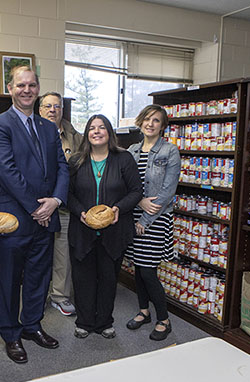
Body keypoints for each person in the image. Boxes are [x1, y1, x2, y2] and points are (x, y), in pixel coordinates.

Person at [0, 66, 69, 364]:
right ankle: (10, 333)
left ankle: (32, 325)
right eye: (21, 85)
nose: (27, 90)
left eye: (32, 85)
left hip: (46, 218)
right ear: (10, 88)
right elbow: (6, 172)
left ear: (38, 89)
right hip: (15, 219)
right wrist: (37, 208)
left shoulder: (48, 127)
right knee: (9, 279)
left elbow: (62, 166)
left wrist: (55, 200)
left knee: (39, 277)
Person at [67, 114, 142, 339]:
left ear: (109, 133)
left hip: (114, 232)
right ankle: (84, 321)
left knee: (108, 278)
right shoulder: (76, 161)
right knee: (83, 278)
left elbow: (136, 191)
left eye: (101, 128)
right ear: (86, 134)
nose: (96, 131)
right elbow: (67, 193)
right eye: (92, 128)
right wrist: (80, 211)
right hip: (82, 231)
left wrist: (119, 208)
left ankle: (104, 322)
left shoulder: (124, 159)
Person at [125, 104, 180, 341]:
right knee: (138, 266)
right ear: (140, 121)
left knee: (148, 270)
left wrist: (146, 218)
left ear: (162, 126)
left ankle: (163, 319)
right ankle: (144, 311)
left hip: (156, 218)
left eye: (156, 120)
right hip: (134, 215)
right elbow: (126, 185)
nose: (150, 123)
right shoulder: (131, 150)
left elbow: (168, 191)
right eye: (147, 119)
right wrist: (138, 204)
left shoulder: (170, 151)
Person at [38, 92, 82, 316]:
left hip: (63, 206)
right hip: (36, 207)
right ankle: (37, 295)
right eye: (48, 106)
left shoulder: (75, 137)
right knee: (37, 254)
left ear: (62, 111)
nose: (52, 110)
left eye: (57, 106)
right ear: (40, 110)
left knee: (62, 255)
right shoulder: (31, 131)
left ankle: (59, 296)